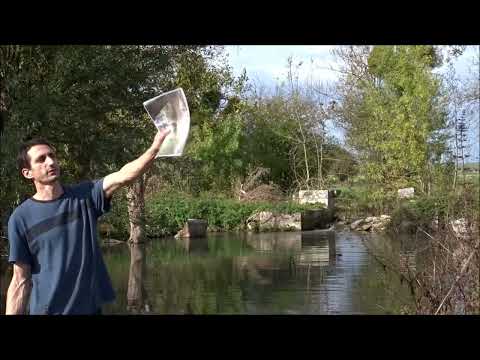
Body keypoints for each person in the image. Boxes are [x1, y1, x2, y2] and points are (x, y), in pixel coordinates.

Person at [5, 129, 170, 315]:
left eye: (52, 155)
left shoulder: (85, 196)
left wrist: (155, 148)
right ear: (28, 173)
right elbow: (20, 281)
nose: (50, 162)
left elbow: (125, 175)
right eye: (41, 159)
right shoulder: (20, 218)